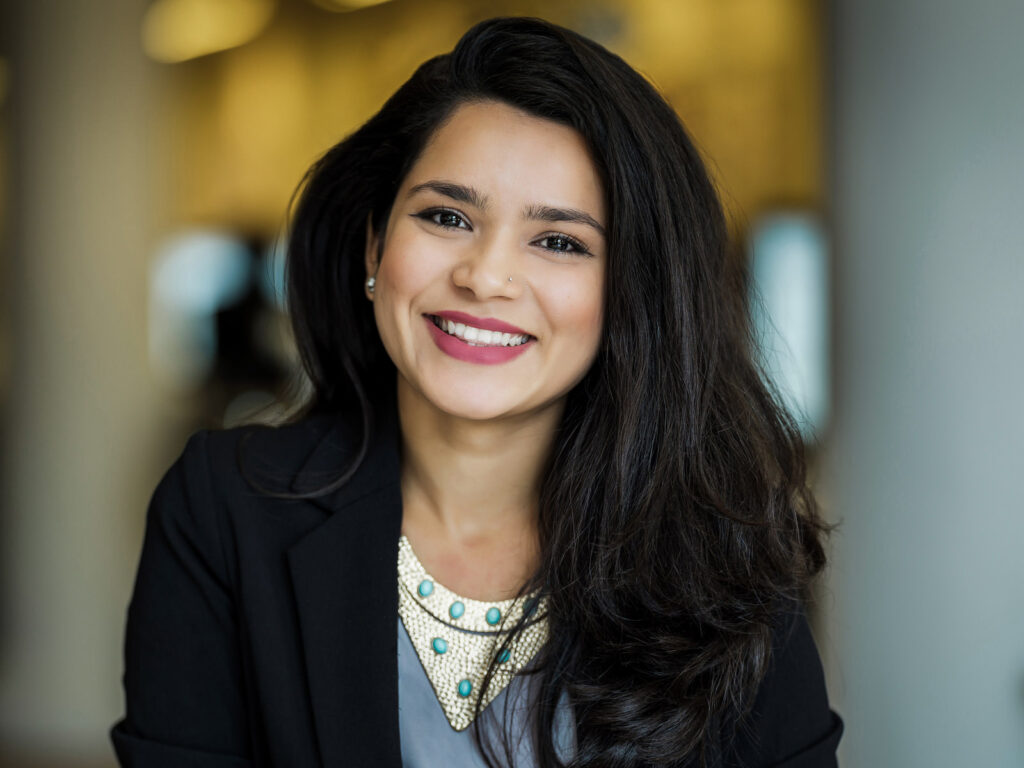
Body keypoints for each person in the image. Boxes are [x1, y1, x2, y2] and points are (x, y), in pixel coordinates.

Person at [111, 16, 842, 768]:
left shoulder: (726, 554)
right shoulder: (226, 512)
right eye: (445, 216)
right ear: (374, 245)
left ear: (632, 293)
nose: (485, 276)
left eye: (559, 241)